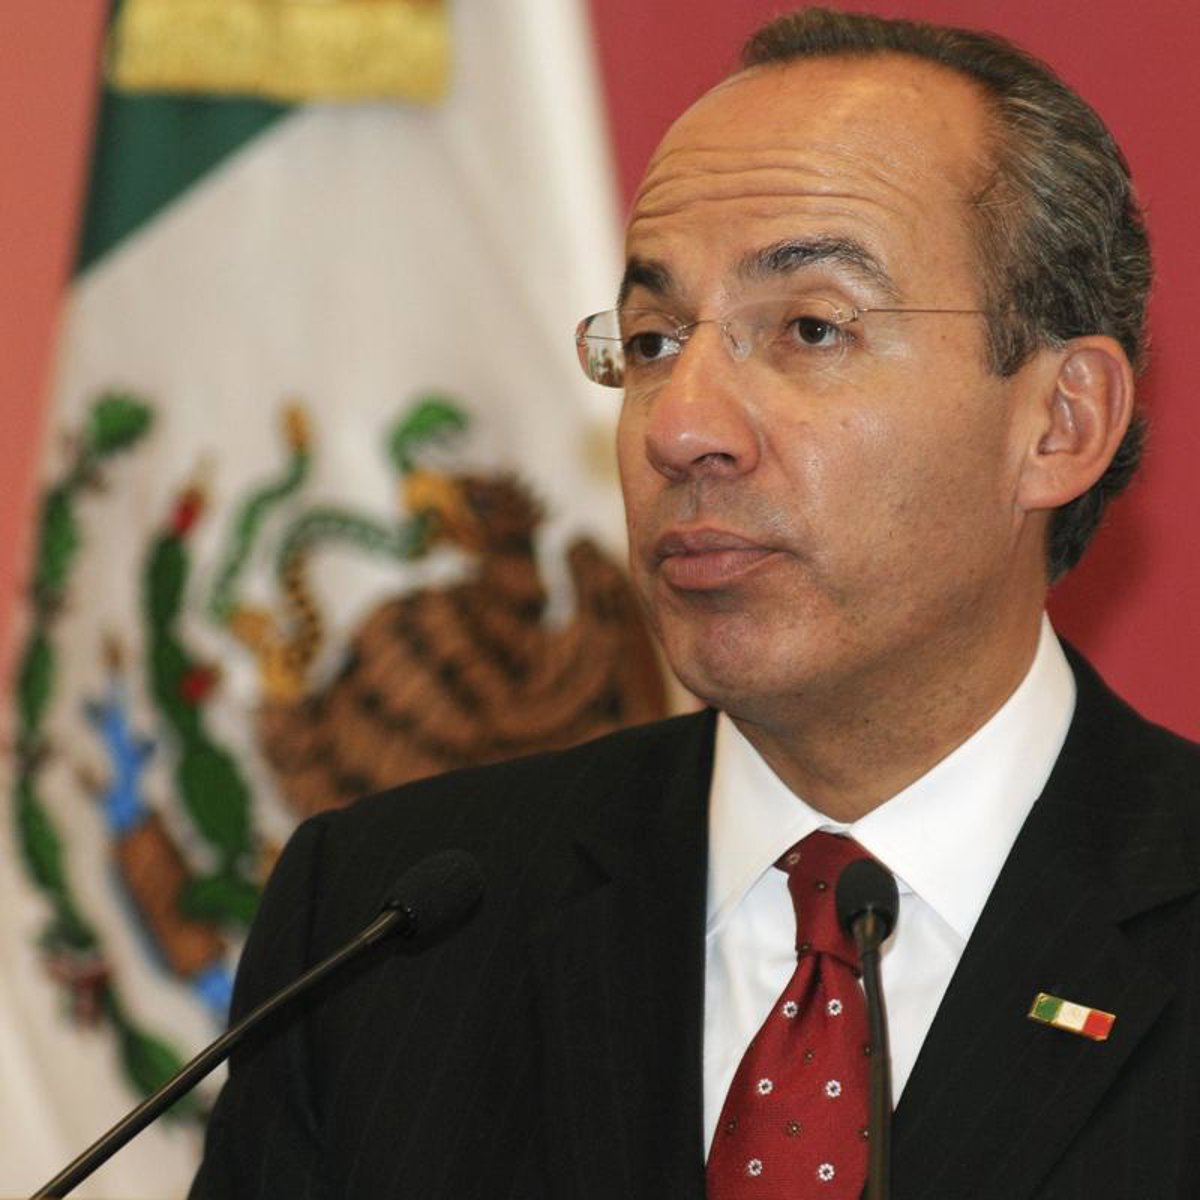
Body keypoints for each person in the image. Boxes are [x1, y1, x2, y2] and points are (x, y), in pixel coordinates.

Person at [191, 8, 1200, 1199]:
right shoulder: (384, 931)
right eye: (654, 341)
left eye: (813, 328)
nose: (680, 427)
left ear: (1060, 423)